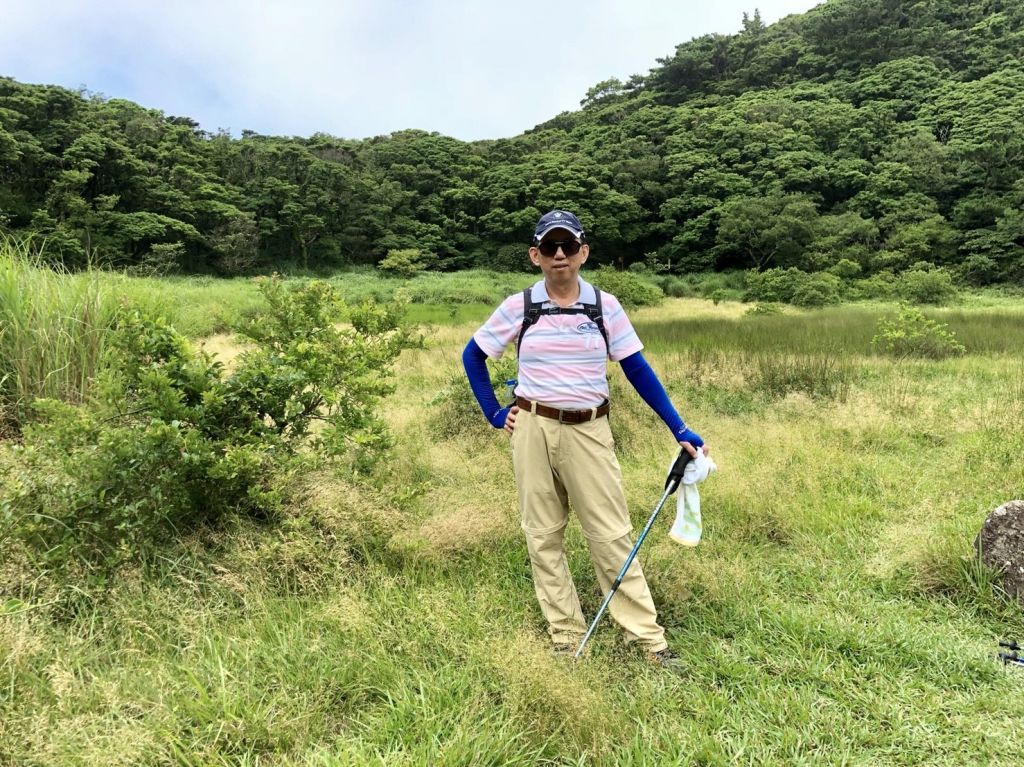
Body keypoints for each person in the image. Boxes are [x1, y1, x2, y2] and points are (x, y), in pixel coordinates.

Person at [462, 209, 708, 668]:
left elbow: (636, 369)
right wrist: (496, 414)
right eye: (550, 247)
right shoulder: (520, 306)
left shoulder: (603, 306)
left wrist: (678, 427)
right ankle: (566, 636)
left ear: (583, 253)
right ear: (535, 255)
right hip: (532, 428)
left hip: (589, 430)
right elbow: (472, 355)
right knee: (543, 534)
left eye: (569, 246)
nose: (560, 255)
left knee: (611, 534)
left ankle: (647, 640)